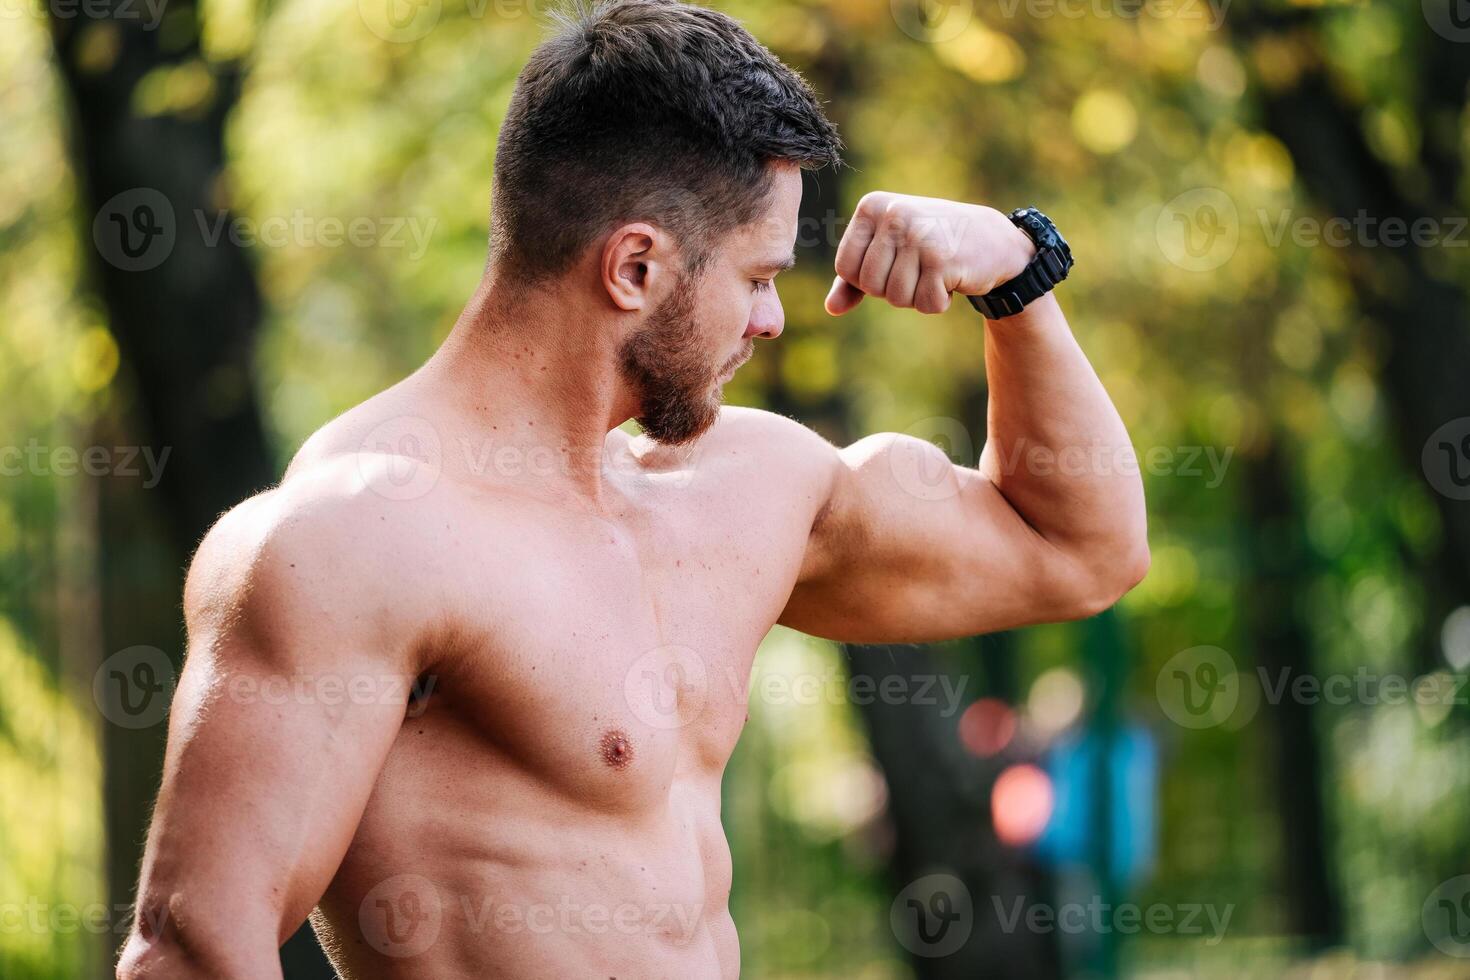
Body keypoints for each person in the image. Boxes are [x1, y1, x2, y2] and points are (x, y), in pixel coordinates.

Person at [115, 1, 1148, 976]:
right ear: (637, 268)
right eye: (755, 277)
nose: (773, 319)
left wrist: (1015, 275)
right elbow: (193, 946)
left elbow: (1079, 549)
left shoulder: (747, 487)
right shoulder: (358, 536)